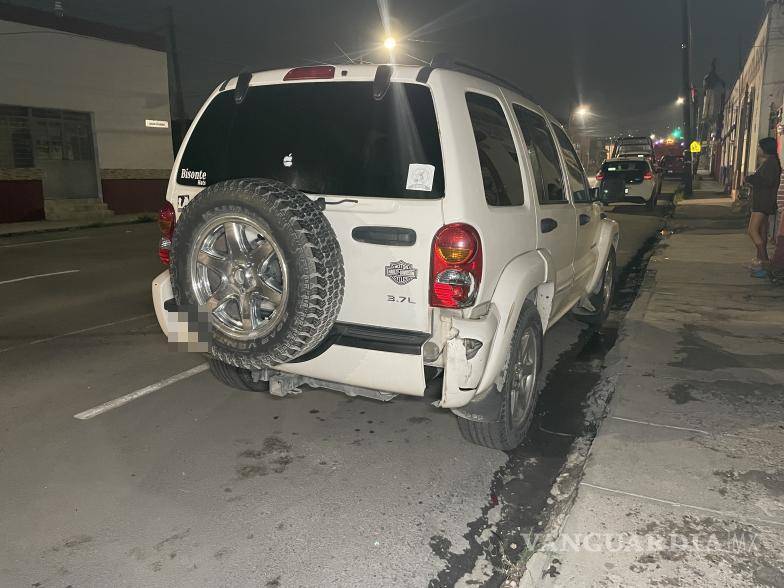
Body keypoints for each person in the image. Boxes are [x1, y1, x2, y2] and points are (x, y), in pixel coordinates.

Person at [745, 137, 781, 277]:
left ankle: (764, 261)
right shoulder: (772, 162)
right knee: (762, 232)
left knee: (752, 230)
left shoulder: (771, 163)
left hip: (762, 202)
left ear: (766, 148)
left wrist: (750, 179)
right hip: (765, 201)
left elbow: (766, 181)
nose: (758, 149)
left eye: (760, 147)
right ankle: (761, 262)